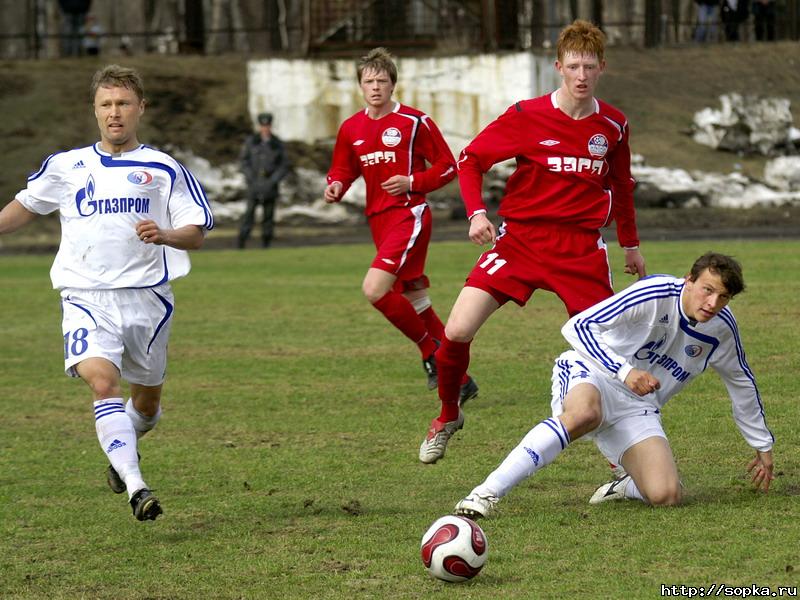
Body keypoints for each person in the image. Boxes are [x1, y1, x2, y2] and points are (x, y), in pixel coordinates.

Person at [418, 20, 646, 464]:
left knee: (609, 356)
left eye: (590, 66)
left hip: (580, 249)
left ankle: (624, 462)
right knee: (458, 329)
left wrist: (630, 244)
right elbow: (471, 161)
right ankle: (448, 414)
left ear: (602, 68)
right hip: (519, 242)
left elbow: (622, 185)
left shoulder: (613, 126)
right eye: (573, 66)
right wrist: (476, 212)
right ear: (558, 67)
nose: (581, 75)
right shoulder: (526, 115)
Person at [0, 64, 214, 521]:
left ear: (140, 108)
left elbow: (196, 233)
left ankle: (124, 451)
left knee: (148, 406)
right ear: (94, 110)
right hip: (85, 296)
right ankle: (137, 487)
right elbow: (22, 209)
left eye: (122, 104)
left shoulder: (163, 168)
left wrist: (167, 235)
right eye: (106, 105)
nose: (114, 113)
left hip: (148, 301)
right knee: (102, 382)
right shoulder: (66, 166)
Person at [452, 252, 775, 518]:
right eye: (707, 289)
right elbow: (578, 326)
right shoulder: (655, 292)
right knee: (584, 414)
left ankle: (626, 485)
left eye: (723, 297)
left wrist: (761, 444)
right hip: (593, 371)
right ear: (688, 281)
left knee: (666, 495)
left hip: (637, 406)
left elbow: (741, 382)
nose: (713, 302)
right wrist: (625, 372)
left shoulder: (722, 328)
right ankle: (484, 495)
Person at [324, 47, 478, 402]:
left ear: (393, 84)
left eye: (381, 80)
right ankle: (461, 379)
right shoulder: (351, 128)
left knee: (375, 289)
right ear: (360, 87)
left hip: (409, 215)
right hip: (378, 220)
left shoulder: (414, 122)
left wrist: (413, 182)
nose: (375, 87)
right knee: (414, 299)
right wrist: (336, 184)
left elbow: (447, 166)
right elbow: (344, 167)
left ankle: (430, 354)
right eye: (368, 81)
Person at [238, 112, 290, 248]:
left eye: (267, 125)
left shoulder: (277, 144)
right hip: (254, 184)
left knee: (268, 216)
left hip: (270, 185)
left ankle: (266, 243)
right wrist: (251, 178)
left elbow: (284, 165)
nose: (265, 128)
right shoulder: (251, 142)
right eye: (263, 125)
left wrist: (273, 180)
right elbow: (244, 162)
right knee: (249, 214)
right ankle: (242, 241)